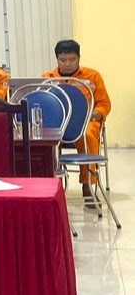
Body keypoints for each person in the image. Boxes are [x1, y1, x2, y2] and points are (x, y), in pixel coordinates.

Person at [43, 39, 110, 201]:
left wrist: (96, 114)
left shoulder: (93, 76)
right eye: (63, 60)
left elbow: (104, 103)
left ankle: (88, 185)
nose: (67, 64)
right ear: (57, 59)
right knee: (42, 140)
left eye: (72, 59)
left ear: (79, 58)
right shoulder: (48, 77)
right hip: (58, 124)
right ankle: (52, 184)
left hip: (85, 123)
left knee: (88, 136)